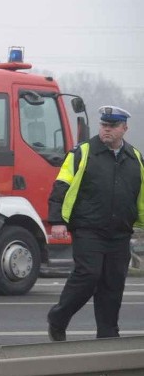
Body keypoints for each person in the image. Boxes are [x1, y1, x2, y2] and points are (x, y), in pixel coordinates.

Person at [46, 105, 144, 341]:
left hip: (120, 232)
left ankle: (108, 334)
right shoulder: (82, 152)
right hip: (88, 228)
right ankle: (58, 319)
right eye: (104, 125)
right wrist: (57, 220)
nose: (106, 130)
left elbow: (139, 195)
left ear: (124, 128)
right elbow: (61, 186)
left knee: (113, 284)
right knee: (88, 276)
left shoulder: (135, 157)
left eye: (112, 126)